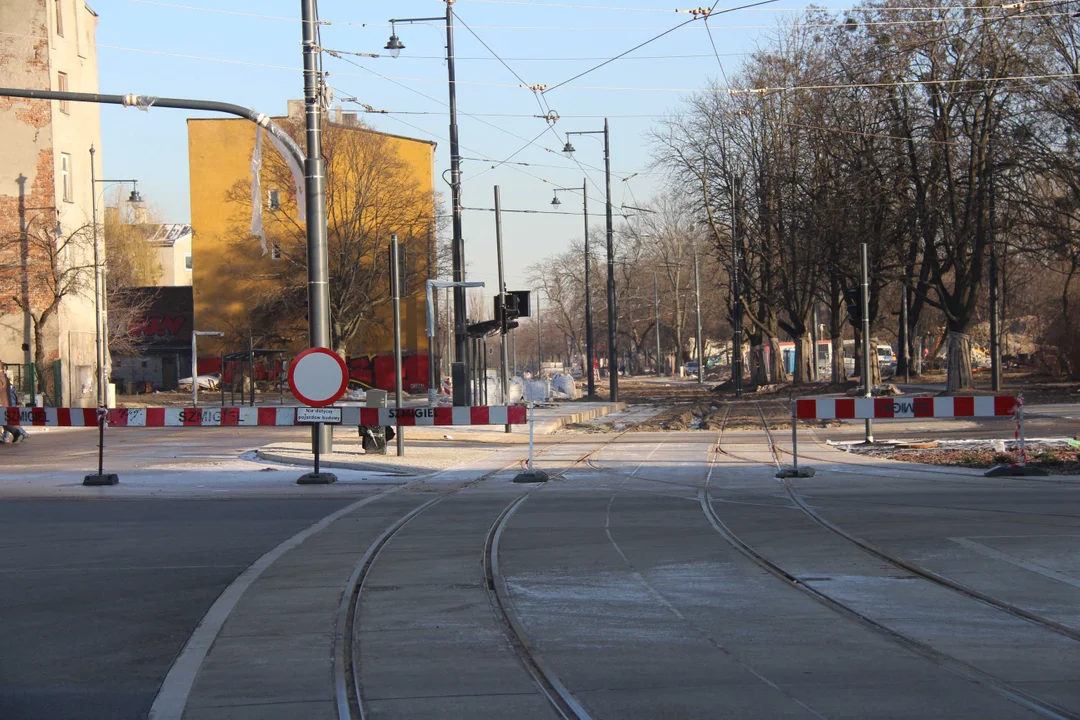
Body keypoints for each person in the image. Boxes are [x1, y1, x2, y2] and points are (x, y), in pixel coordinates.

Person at [1, 367, 27, 443]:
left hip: (5, 404)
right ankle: (12, 435)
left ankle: (20, 433)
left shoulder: (3, 378)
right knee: (6, 421)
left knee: (8, 421)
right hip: (6, 403)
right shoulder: (5, 378)